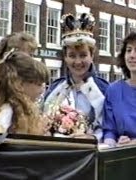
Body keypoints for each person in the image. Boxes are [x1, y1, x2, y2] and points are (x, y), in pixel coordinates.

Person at [41, 12, 108, 141]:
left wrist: (92, 138)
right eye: (72, 56)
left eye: (83, 55)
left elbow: (112, 128)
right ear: (65, 58)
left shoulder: (104, 89)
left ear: (92, 56)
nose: (77, 62)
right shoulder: (55, 88)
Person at [0, 51, 49, 135]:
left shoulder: (0, 108)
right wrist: (36, 135)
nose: (42, 90)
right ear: (19, 84)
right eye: (39, 84)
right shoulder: (7, 112)